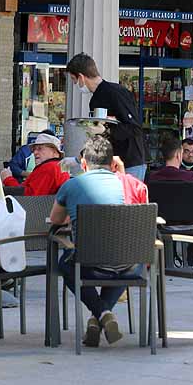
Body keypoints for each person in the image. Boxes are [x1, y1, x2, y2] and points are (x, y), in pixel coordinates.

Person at [51, 135, 136, 347]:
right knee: (119, 261)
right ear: (113, 162)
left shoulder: (72, 185)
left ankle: (101, 313)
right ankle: (100, 317)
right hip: (128, 265)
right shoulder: (127, 184)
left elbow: (55, 219)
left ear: (83, 163)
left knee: (64, 263)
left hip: (90, 265)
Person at [65, 52, 148, 179]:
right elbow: (98, 137)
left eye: (73, 79)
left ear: (81, 77)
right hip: (111, 164)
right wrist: (78, 159)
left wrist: (107, 129)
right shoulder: (95, 100)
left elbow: (134, 128)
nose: (75, 84)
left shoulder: (116, 93)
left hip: (130, 163)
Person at [146, 135, 193, 208]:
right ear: (178, 155)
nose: (190, 155)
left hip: (160, 219)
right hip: (189, 220)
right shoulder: (191, 177)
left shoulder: (151, 177)